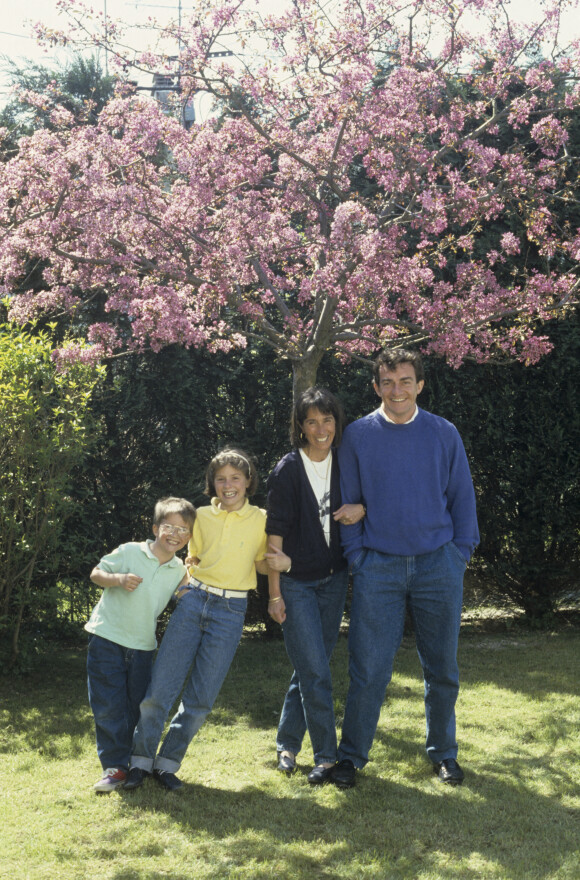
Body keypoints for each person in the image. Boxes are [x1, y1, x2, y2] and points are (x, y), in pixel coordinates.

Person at [331, 349, 479, 789]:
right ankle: (352, 756)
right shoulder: (357, 435)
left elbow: (462, 497)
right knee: (369, 668)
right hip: (379, 568)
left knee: (441, 668)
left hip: (439, 565)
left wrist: (460, 553)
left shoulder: (442, 432)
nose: (398, 390)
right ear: (376, 387)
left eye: (406, 381)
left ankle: (444, 754)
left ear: (420, 385)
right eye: (389, 382)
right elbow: (347, 501)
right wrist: (358, 556)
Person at [124, 447, 269, 791]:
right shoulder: (200, 515)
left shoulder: (263, 519)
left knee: (201, 698)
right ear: (212, 483)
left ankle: (168, 764)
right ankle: (141, 762)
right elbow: (187, 558)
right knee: (159, 689)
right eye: (220, 479)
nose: (228, 485)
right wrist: (182, 592)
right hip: (194, 603)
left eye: (235, 478)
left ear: (248, 482)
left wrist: (283, 564)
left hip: (231, 612)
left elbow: (262, 563)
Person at [266, 388, 365, 784]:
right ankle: (325, 755)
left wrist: (364, 508)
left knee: (311, 667)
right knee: (316, 671)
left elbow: (372, 498)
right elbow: (274, 539)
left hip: (334, 579)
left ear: (336, 423)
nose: (321, 429)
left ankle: (287, 743)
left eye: (327, 420)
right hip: (295, 585)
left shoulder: (347, 462)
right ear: (300, 426)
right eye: (312, 421)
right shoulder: (287, 469)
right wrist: (274, 594)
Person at [86, 497, 196, 793]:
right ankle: (115, 768)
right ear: (155, 527)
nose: (175, 534)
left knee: (136, 707)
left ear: (189, 538)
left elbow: (186, 595)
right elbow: (96, 574)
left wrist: (195, 571)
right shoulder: (130, 551)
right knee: (108, 706)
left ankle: (135, 763)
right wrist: (118, 579)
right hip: (106, 638)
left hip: (143, 647)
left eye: (183, 530)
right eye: (169, 527)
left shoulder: (177, 570)